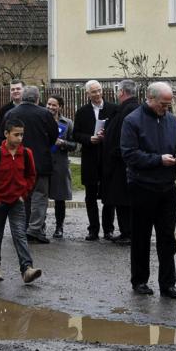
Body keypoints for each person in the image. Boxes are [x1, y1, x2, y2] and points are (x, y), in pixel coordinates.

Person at [121, 81, 176, 299]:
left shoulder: (171, 119)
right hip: (142, 186)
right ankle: (140, 280)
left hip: (167, 187)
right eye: (163, 104)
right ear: (150, 99)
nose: (166, 108)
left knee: (167, 238)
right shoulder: (132, 121)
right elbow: (129, 154)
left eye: (169, 104)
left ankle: (168, 284)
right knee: (141, 236)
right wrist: (158, 160)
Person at [0, 117, 41, 284]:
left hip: (17, 202)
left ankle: (27, 269)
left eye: (22, 135)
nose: (19, 138)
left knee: (20, 234)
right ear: (6, 134)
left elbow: (31, 175)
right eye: (16, 134)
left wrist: (23, 194)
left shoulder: (26, 154)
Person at [5, 86, 58, 244]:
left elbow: (3, 134)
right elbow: (54, 135)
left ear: (22, 97)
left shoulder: (11, 113)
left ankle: (20, 228)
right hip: (40, 161)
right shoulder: (45, 114)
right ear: (37, 98)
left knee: (20, 196)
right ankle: (35, 229)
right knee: (40, 196)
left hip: (17, 161)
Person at [73, 80, 116, 241]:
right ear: (87, 94)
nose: (97, 94)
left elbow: (118, 131)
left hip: (108, 157)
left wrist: (106, 137)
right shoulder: (82, 112)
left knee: (109, 195)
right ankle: (93, 229)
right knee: (90, 196)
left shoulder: (113, 109)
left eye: (99, 90)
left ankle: (108, 229)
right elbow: (76, 134)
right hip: (90, 157)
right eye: (93, 92)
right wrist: (89, 139)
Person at [101, 79, 140, 244]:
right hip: (119, 160)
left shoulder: (129, 109)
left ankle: (128, 232)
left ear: (122, 92)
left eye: (118, 91)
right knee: (120, 198)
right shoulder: (128, 108)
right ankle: (126, 231)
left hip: (121, 161)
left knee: (123, 199)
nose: (117, 94)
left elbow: (123, 135)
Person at [45, 95, 78, 238]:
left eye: (54, 105)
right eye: (49, 104)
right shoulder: (41, 119)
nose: (50, 107)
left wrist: (63, 143)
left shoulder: (68, 123)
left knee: (59, 198)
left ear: (60, 107)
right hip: (43, 162)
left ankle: (59, 227)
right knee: (41, 197)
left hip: (60, 164)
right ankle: (40, 225)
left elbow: (74, 145)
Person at [0, 79, 25, 146]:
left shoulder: (32, 107)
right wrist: (1, 144)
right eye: (12, 89)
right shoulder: (4, 109)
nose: (15, 91)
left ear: (24, 90)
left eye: (18, 89)